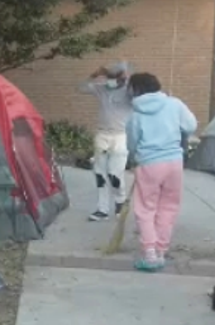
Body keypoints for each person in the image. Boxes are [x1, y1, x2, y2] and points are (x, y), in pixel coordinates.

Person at [125, 72, 197, 271]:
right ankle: (161, 252)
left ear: (136, 90)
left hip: (148, 164)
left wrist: (134, 159)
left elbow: (131, 143)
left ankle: (149, 254)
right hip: (174, 162)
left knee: (146, 209)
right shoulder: (174, 104)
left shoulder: (135, 114)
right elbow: (191, 125)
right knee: (169, 207)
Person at [79, 61, 133, 222]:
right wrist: (94, 75)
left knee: (115, 173)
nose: (111, 80)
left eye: (114, 77)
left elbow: (141, 93)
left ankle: (120, 201)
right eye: (109, 76)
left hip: (120, 136)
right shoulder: (101, 89)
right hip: (102, 135)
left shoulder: (129, 91)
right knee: (100, 173)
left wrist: (127, 76)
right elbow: (80, 87)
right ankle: (102, 209)